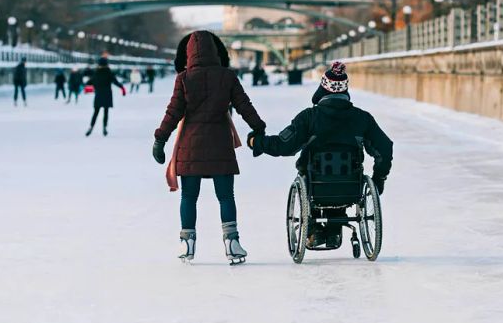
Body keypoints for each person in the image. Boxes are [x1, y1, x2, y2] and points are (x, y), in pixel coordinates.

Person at [248, 61, 393, 249]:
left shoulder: (309, 117)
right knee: (342, 175)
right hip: (350, 187)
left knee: (313, 175)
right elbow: (385, 147)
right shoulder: (362, 118)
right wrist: (379, 178)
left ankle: (314, 231)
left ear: (323, 90)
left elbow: (283, 145)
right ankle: (335, 227)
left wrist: (256, 142)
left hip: (315, 186)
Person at [153, 31, 266, 264]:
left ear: (188, 53)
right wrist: (258, 128)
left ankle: (187, 243)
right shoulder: (227, 76)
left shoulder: (184, 79)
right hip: (220, 145)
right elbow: (244, 105)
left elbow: (173, 112)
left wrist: (160, 139)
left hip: (190, 146)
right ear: (216, 51)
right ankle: (232, 243)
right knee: (226, 196)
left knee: (189, 196)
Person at [84, 53, 126, 137]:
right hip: (107, 95)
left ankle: (91, 127)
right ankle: (105, 127)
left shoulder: (96, 73)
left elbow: (89, 82)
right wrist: (122, 88)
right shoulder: (109, 73)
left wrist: (87, 86)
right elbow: (115, 82)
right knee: (106, 112)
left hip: (98, 94)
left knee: (96, 112)